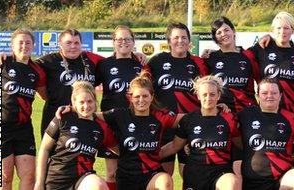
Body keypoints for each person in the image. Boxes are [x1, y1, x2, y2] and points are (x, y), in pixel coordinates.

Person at [0, 29, 147, 137]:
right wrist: (4, 57)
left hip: (84, 116)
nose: (73, 46)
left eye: (76, 43)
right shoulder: (47, 61)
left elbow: (116, 61)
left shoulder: (92, 60)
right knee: (52, 161)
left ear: (81, 44)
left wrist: (135, 55)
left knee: (81, 162)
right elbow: (24, 66)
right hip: (54, 117)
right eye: (68, 43)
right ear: (60, 44)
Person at [100, 71, 182, 190]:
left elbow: (188, 119)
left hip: (152, 174)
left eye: (145, 96)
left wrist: (217, 110)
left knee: (166, 181)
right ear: (130, 98)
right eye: (137, 96)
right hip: (126, 175)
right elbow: (91, 115)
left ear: (152, 97)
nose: (141, 100)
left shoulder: (160, 117)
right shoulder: (120, 115)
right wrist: (70, 109)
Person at [159, 75, 241, 190]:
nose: (208, 98)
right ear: (198, 95)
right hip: (195, 173)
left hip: (220, 172)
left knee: (232, 183)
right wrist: (150, 155)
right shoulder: (189, 120)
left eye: (212, 94)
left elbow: (240, 144)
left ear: (219, 95)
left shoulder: (229, 118)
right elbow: (174, 146)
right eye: (204, 94)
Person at [144, 22, 205, 175]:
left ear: (189, 41)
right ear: (169, 41)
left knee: (190, 178)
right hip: (163, 128)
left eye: (184, 37)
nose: (180, 41)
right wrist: (137, 55)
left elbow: (211, 86)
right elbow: (142, 85)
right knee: (164, 177)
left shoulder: (199, 63)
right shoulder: (156, 61)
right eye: (176, 37)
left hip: (191, 128)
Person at [237, 78, 294, 189]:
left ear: (280, 95)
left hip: (281, 179)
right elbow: (229, 130)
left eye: (274, 93)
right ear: (258, 95)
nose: (269, 96)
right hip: (251, 181)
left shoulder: (290, 118)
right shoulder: (246, 115)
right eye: (264, 93)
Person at [35, 81, 114, 190]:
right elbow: (44, 149)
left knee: (99, 186)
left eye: (90, 101)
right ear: (74, 102)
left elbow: (117, 149)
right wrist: (39, 183)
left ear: (95, 102)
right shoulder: (63, 118)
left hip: (83, 179)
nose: (86, 106)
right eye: (81, 102)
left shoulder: (102, 127)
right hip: (57, 179)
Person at [0, 29, 46, 190]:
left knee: (29, 177)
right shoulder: (1, 64)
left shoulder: (37, 71)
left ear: (33, 46)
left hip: (24, 128)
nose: (24, 46)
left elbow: (45, 96)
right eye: (20, 43)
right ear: (12, 46)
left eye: (28, 42)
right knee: (4, 177)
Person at [94, 25, 143, 190]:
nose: (124, 42)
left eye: (127, 39)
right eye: (119, 39)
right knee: (111, 173)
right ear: (113, 42)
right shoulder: (103, 65)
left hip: (135, 123)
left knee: (136, 171)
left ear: (133, 41)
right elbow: (88, 88)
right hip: (111, 124)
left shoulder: (141, 65)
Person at [248, 11, 294, 119]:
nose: (282, 32)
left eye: (286, 28)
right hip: (267, 110)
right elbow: (238, 56)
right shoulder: (262, 48)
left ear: (293, 30)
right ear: (272, 30)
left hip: (293, 110)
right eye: (278, 28)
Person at [204, 17, 259, 113]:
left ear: (233, 31)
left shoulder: (249, 55)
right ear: (215, 38)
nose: (223, 34)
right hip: (223, 112)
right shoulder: (210, 58)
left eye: (226, 30)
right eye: (219, 33)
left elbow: (262, 81)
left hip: (248, 112)